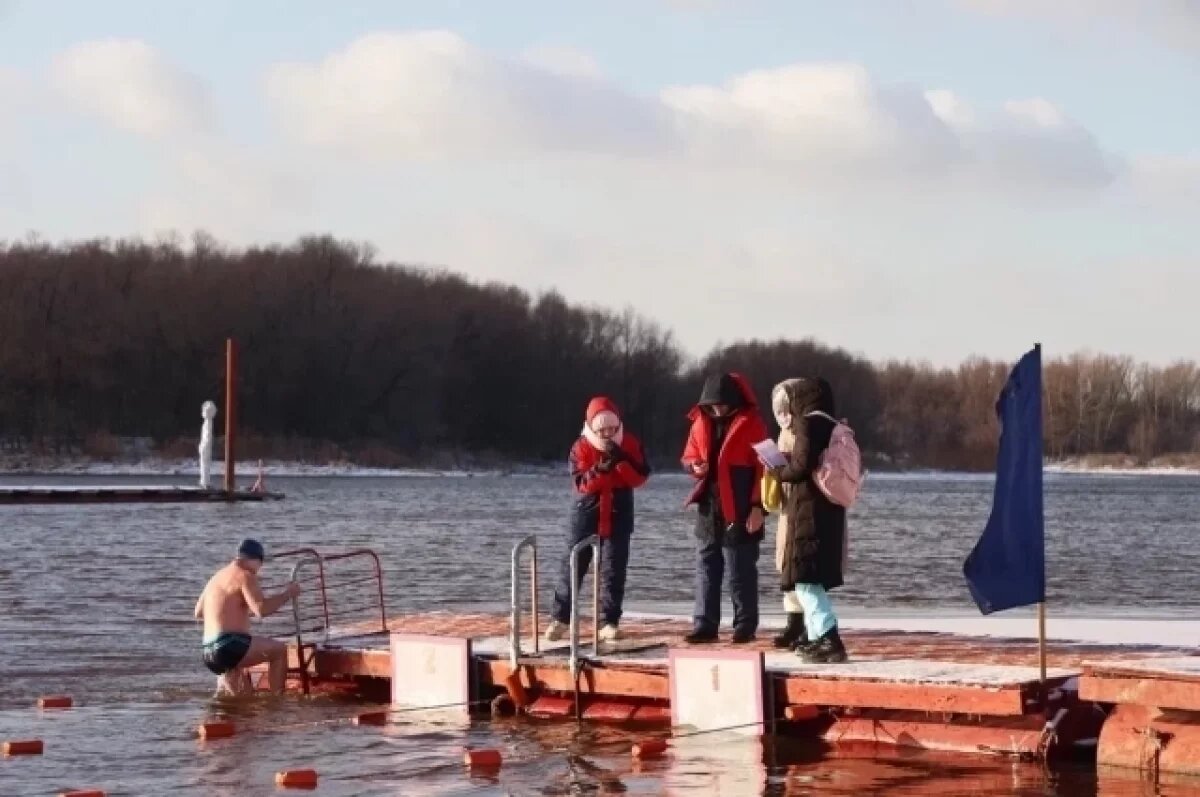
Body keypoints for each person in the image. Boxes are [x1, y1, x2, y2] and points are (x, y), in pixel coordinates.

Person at [545, 397, 651, 643]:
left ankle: (609, 621)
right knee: (572, 566)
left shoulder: (631, 443)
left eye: (612, 429)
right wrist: (600, 471)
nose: (607, 434)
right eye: (602, 430)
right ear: (592, 428)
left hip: (618, 514)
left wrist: (621, 462)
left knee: (613, 571)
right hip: (585, 514)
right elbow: (581, 484)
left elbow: (640, 478)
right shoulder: (581, 447)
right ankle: (560, 618)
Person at [681, 372, 769, 644]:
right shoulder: (699, 423)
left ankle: (744, 626)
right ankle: (705, 625)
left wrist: (758, 508)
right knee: (706, 566)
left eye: (723, 404)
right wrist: (694, 466)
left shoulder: (753, 425)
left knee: (740, 569)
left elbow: (765, 470)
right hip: (709, 508)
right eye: (712, 404)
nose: (717, 409)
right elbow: (688, 456)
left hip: (741, 506)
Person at [770, 377, 848, 663]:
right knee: (810, 578)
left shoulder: (807, 423)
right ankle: (816, 638)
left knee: (806, 581)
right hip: (828, 509)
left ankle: (829, 637)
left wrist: (777, 469)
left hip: (808, 511)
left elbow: (801, 468)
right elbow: (813, 460)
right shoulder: (831, 424)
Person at [193, 538, 300, 695]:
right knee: (280, 651)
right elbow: (261, 609)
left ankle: (237, 714)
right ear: (255, 560)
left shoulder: (216, 577)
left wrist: (235, 611)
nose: (258, 571)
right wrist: (288, 594)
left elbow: (198, 612)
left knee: (246, 701)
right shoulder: (245, 575)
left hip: (208, 652)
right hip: (229, 646)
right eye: (260, 565)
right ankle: (276, 702)